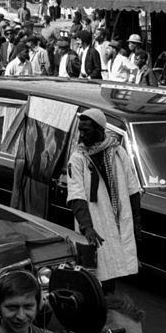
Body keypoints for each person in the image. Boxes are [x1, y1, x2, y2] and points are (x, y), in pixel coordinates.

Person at [66, 109, 142, 291]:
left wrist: (136, 228)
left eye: (87, 130)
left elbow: (133, 191)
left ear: (100, 130)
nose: (82, 134)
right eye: (80, 130)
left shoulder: (118, 153)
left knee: (110, 277)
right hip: (94, 225)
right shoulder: (77, 159)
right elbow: (76, 196)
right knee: (92, 278)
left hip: (117, 221)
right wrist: (87, 227)